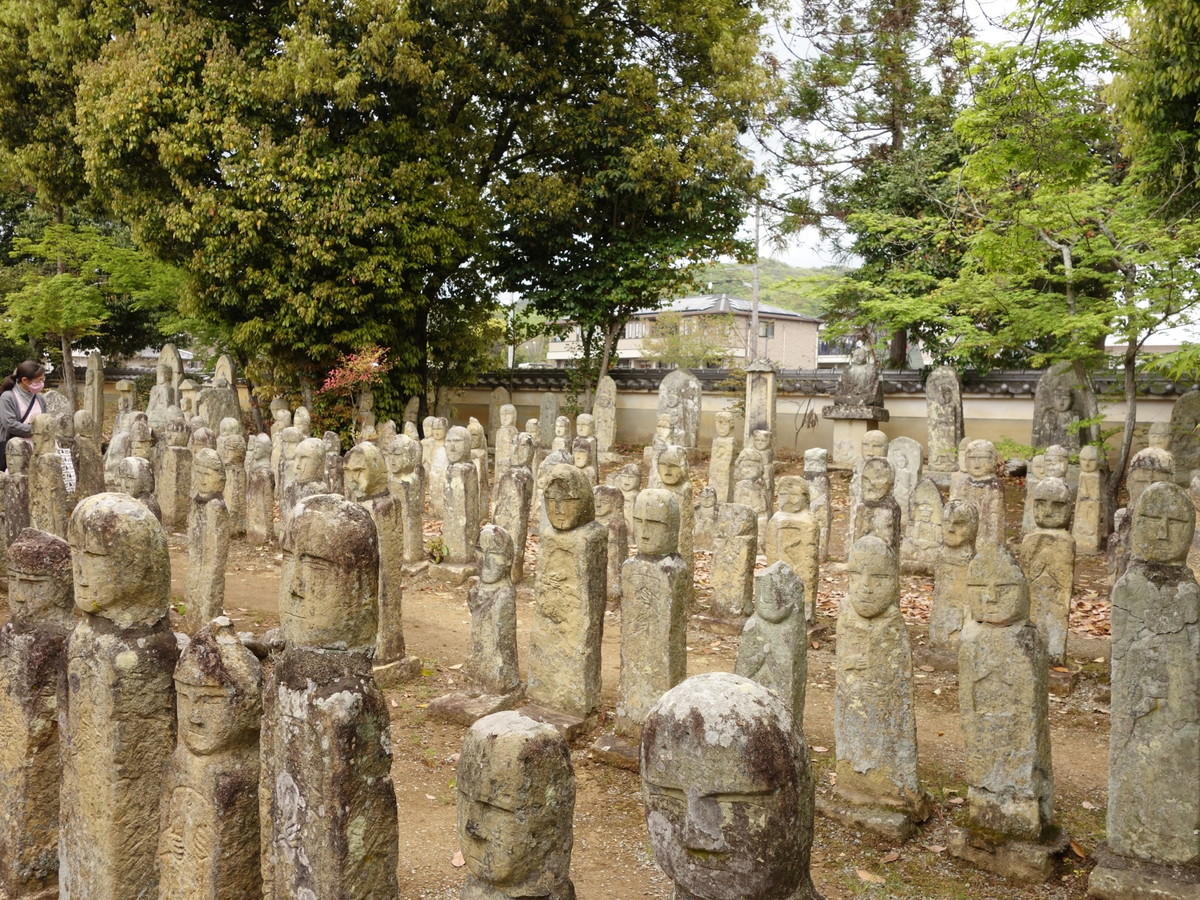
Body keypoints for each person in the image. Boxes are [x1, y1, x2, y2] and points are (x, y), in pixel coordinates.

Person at [0, 361, 47, 471]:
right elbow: (10, 424)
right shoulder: (8, 397)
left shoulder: (40, 398)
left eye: (43, 380)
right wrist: (36, 429)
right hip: (15, 448)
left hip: (37, 447)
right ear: (25, 380)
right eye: (39, 380)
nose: (42, 383)